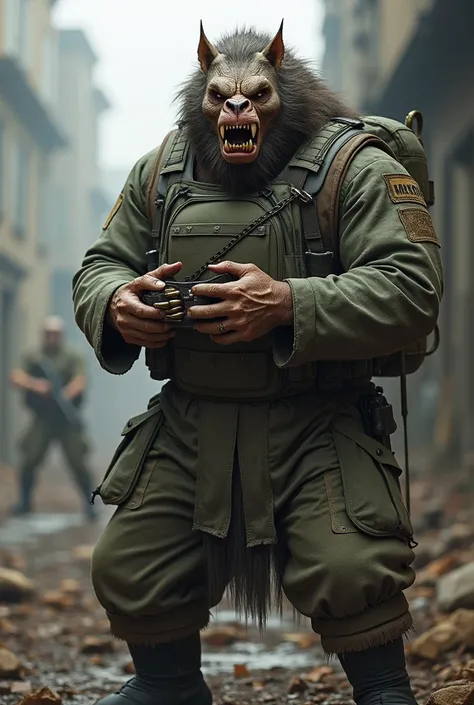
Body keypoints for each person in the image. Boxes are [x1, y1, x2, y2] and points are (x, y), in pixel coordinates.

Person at [72, 23, 443, 705]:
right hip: (191, 416)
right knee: (128, 562)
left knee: (353, 566)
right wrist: (118, 301)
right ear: (202, 95)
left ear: (282, 90)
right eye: (221, 98)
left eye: (255, 97)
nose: (236, 111)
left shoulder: (353, 166)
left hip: (316, 417)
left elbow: (413, 288)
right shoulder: (160, 171)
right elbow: (100, 265)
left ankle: (384, 687)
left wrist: (287, 304)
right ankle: (167, 682)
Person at [10, 316, 96, 519]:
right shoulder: (34, 356)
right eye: (48, 334)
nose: (52, 338)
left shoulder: (71, 356)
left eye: (55, 334)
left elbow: (80, 380)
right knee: (29, 459)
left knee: (78, 461)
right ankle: (24, 502)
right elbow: (16, 377)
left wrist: (64, 395)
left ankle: (90, 503)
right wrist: (36, 386)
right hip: (43, 418)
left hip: (66, 419)